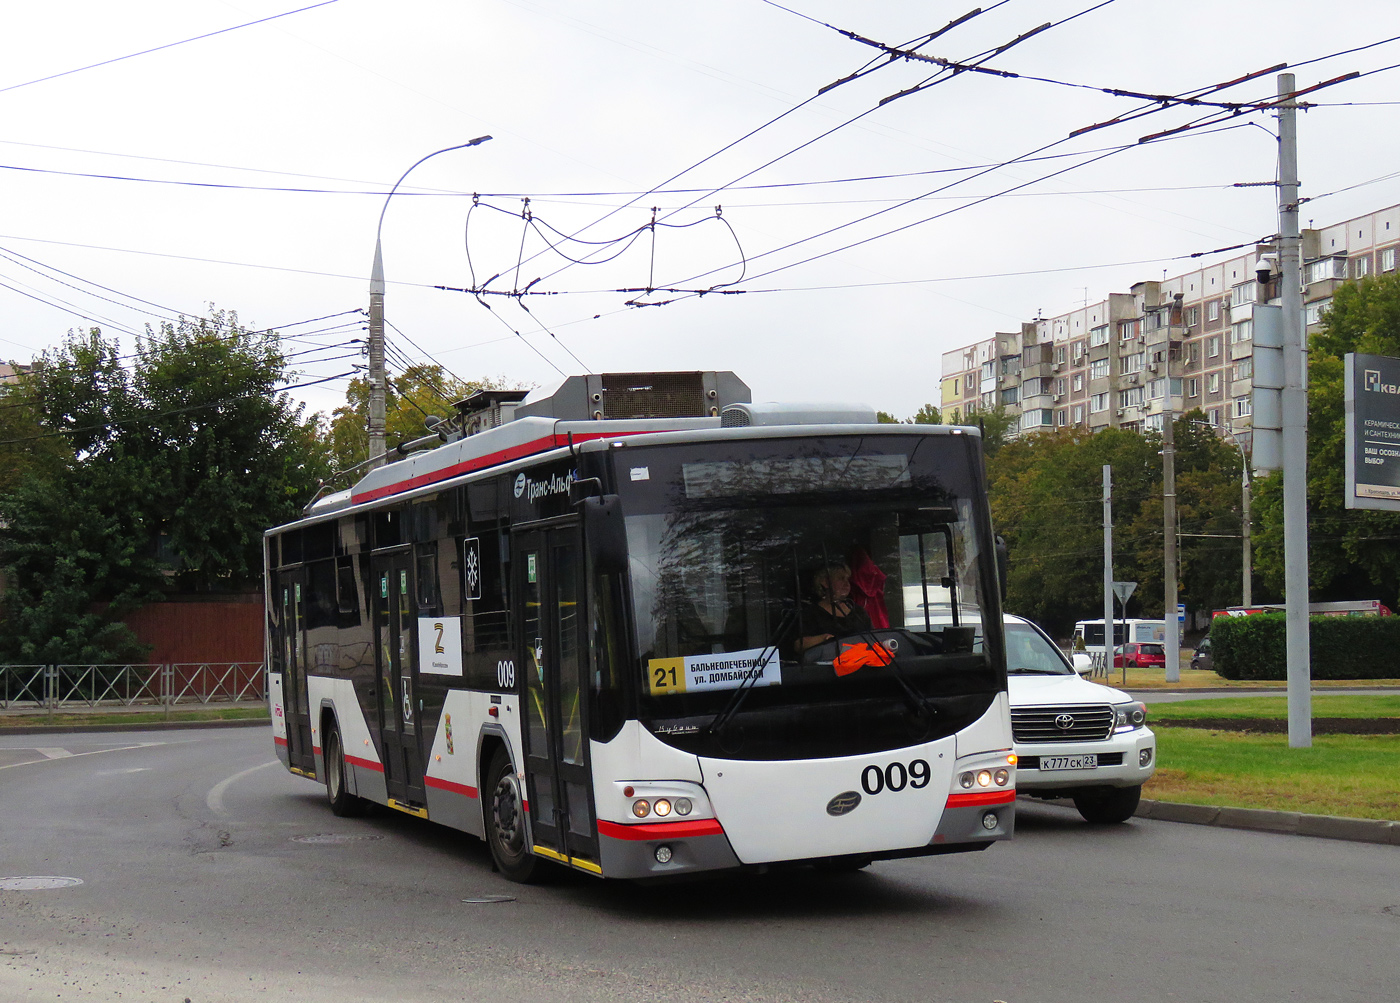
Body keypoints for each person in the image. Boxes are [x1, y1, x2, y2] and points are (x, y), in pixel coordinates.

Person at [797, 563, 873, 653]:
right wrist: (824, 638)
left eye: (847, 579)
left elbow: (873, 637)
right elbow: (799, 645)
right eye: (841, 578)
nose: (846, 583)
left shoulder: (858, 611)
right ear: (825, 582)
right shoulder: (811, 613)